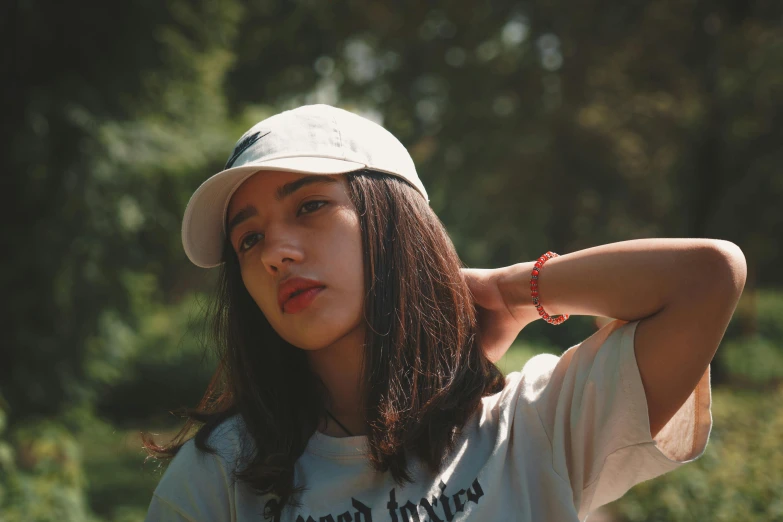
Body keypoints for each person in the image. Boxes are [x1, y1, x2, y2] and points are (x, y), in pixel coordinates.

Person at [142, 104, 746, 522]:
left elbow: (706, 277)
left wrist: (513, 292)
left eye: (310, 206)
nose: (275, 252)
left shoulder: (530, 425)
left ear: (395, 223)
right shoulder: (220, 476)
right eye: (248, 240)